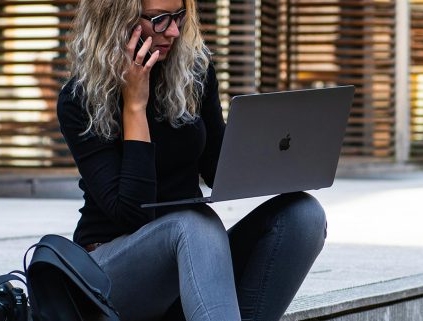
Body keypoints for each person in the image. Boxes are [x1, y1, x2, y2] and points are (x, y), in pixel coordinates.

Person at [57, 0, 327, 320]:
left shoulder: (193, 73)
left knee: (303, 215)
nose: (172, 31)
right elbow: (131, 212)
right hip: (111, 275)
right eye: (158, 20)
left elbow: (216, 170)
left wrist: (276, 153)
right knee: (196, 224)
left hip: (190, 255)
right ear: (117, 19)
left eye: (178, 17)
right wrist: (134, 107)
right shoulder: (80, 98)